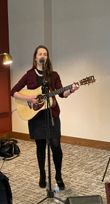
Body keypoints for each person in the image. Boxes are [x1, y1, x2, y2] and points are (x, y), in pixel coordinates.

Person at [10, 45, 79, 190]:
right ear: (35, 57)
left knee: (56, 146)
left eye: (45, 54)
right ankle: (42, 174)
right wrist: (30, 99)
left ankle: (58, 175)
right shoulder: (29, 75)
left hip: (52, 116)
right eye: (40, 54)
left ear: (47, 58)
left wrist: (71, 90)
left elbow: (62, 94)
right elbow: (13, 91)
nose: (43, 56)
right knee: (40, 147)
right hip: (36, 117)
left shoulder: (53, 75)